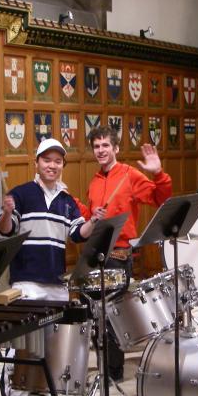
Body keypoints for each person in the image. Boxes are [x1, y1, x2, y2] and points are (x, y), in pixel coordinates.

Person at [0, 138, 105, 396]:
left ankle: (39, 386)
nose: (52, 165)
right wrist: (6, 212)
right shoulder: (20, 193)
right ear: (36, 163)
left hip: (55, 282)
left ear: (62, 166)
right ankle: (15, 393)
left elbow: (77, 234)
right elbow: (6, 230)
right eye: (47, 160)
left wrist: (93, 221)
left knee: (51, 342)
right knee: (25, 343)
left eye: (57, 161)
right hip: (27, 280)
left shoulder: (67, 201)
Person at [76, 125, 173, 380]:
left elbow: (159, 198)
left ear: (116, 148)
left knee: (110, 316)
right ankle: (104, 368)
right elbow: (91, 219)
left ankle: (113, 373)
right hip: (95, 255)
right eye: (96, 146)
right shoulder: (95, 181)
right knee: (94, 314)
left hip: (118, 256)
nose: (100, 150)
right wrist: (74, 204)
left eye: (105, 145)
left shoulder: (130, 175)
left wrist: (158, 173)